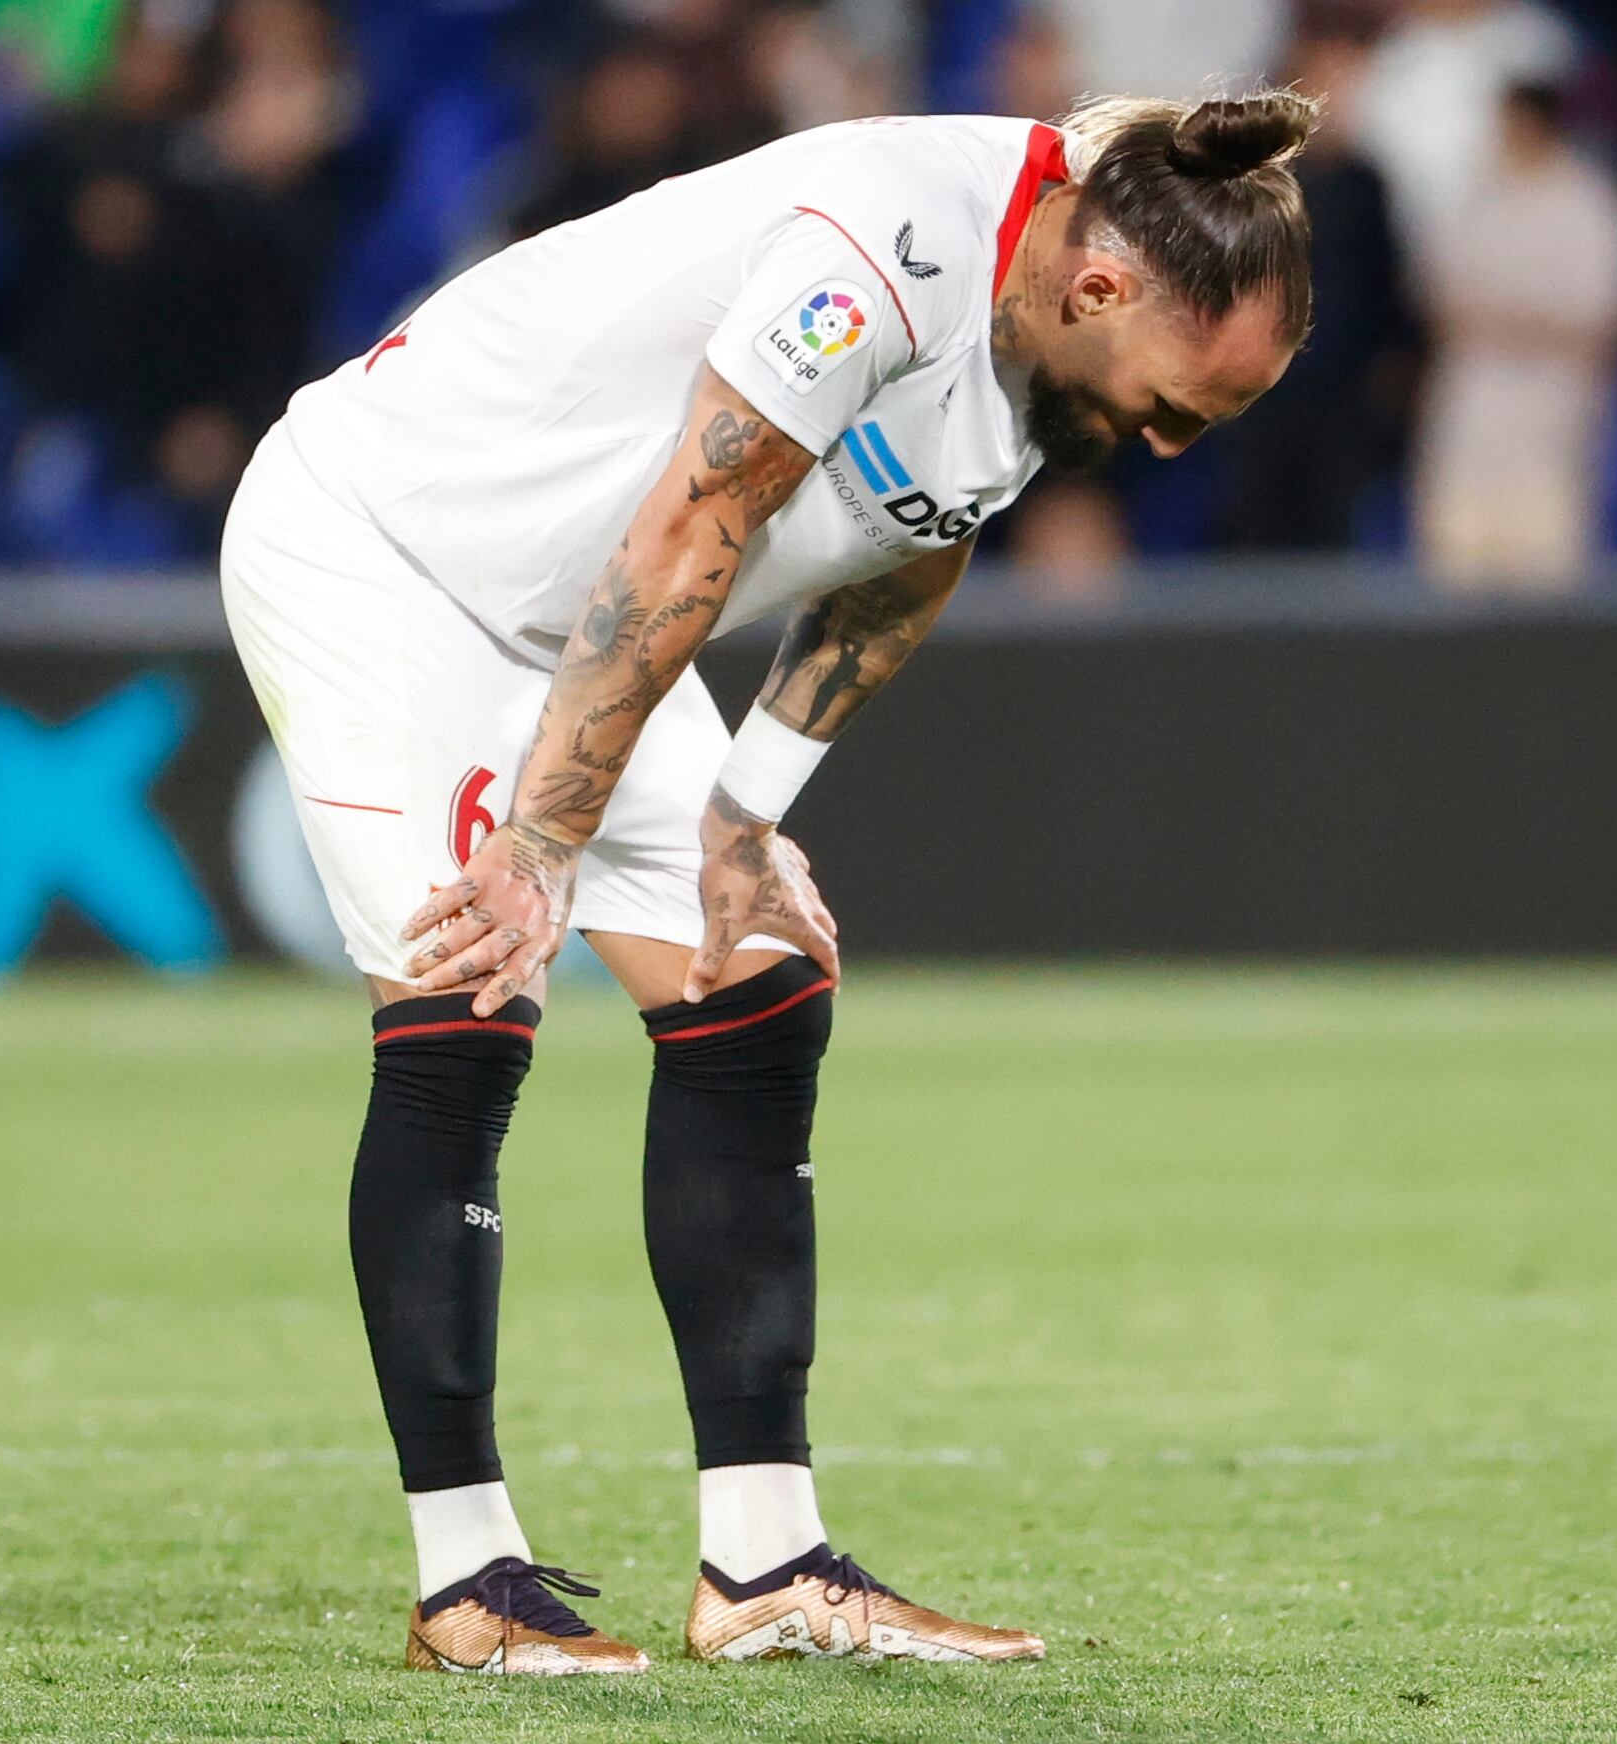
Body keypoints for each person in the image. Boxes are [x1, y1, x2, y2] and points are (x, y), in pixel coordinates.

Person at [220, 90, 1314, 1674]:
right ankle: (468, 1580)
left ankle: (764, 1566)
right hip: (387, 548)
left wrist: (747, 816)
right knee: (473, 986)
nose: (1165, 445)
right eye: (1171, 407)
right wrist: (540, 846)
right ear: (1100, 293)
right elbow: (699, 522)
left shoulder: (1060, 283)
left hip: (579, 600)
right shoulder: (883, 253)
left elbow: (918, 534)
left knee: (760, 983)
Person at [1413, 79, 1617, 593]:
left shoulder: (1592, 209)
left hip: (1552, 427)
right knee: (1453, 573)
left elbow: (1604, 328)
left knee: (1547, 584)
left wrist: (1515, 325)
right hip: (1471, 422)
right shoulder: (1475, 200)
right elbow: (1442, 307)